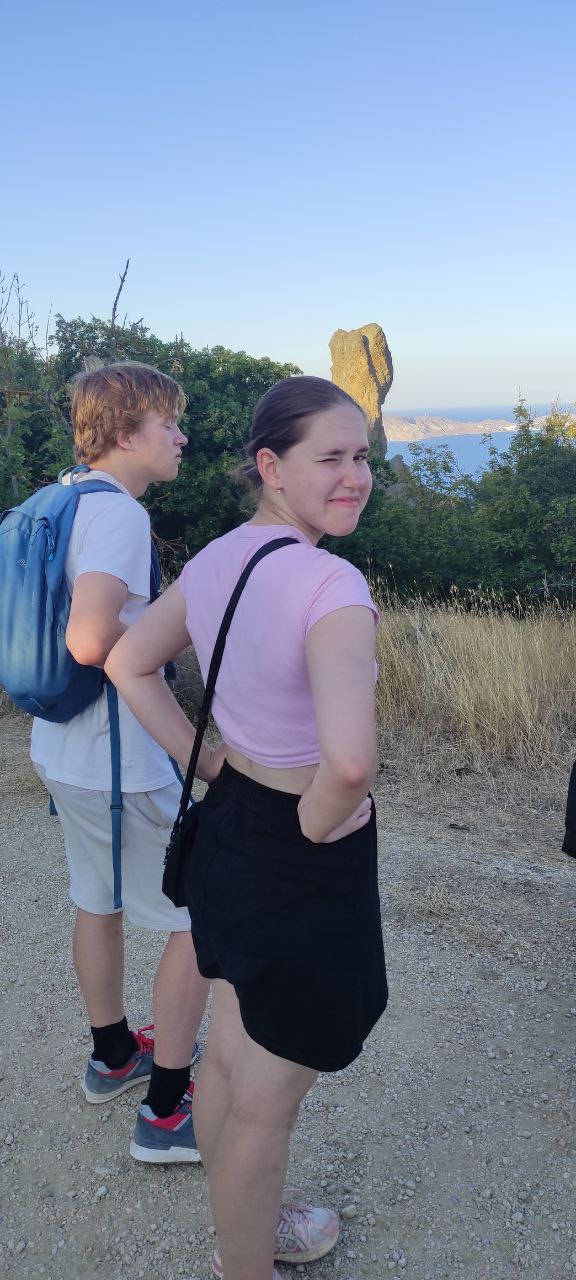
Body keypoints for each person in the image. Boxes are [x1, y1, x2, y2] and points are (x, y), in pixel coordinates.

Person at [105, 375, 388, 1280]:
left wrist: (210, 763)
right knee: (267, 1098)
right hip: (300, 849)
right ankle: (246, 1265)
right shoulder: (332, 584)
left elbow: (128, 662)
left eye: (362, 457)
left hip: (230, 827)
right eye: (330, 458)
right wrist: (320, 822)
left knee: (228, 1061)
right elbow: (349, 764)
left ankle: (245, 1237)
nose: (355, 477)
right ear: (271, 465)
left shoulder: (219, 558)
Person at [31, 361, 220, 1163]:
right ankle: (167, 1113)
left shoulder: (56, 500)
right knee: (202, 915)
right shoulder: (117, 515)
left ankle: (113, 1056)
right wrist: (201, 757)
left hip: (61, 748)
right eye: (168, 423)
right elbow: (90, 640)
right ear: (125, 431)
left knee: (96, 898)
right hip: (121, 761)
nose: (181, 437)